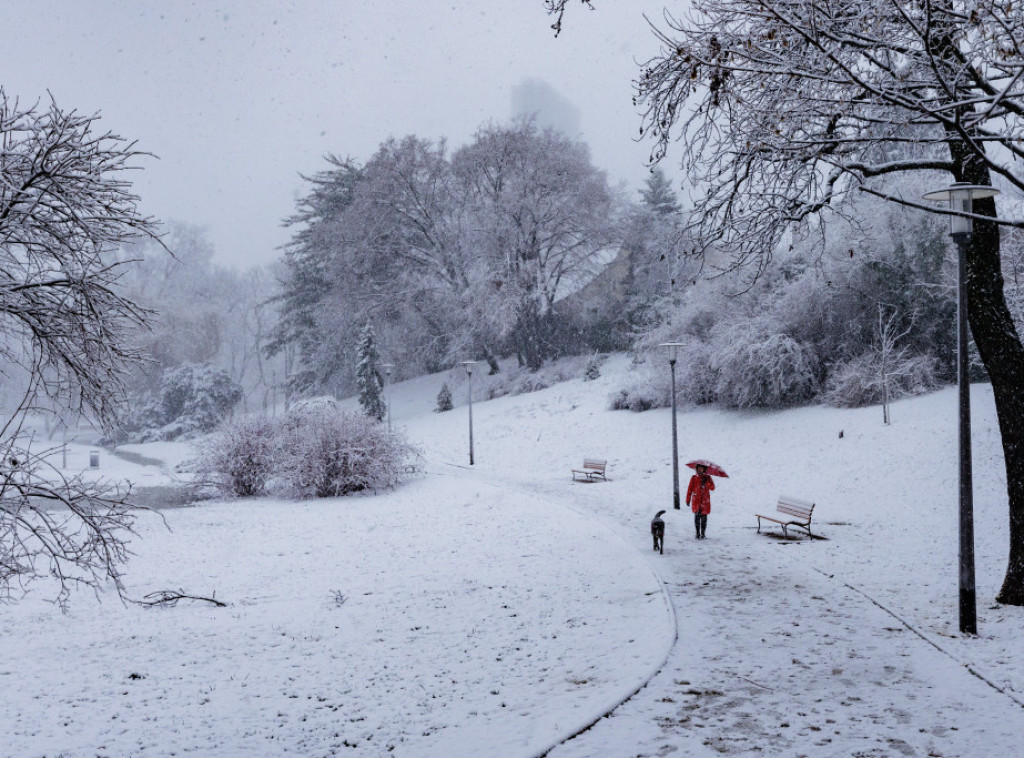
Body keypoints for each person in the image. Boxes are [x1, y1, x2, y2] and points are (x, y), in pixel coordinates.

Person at [686, 464, 715, 539]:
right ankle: (697, 533)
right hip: (696, 501)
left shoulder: (708, 477)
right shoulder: (694, 478)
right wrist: (688, 500)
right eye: (698, 468)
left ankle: (703, 534)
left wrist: (706, 483)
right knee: (697, 518)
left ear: (704, 469)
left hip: (705, 502)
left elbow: (712, 487)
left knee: (704, 519)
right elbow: (690, 489)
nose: (700, 470)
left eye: (701, 469)